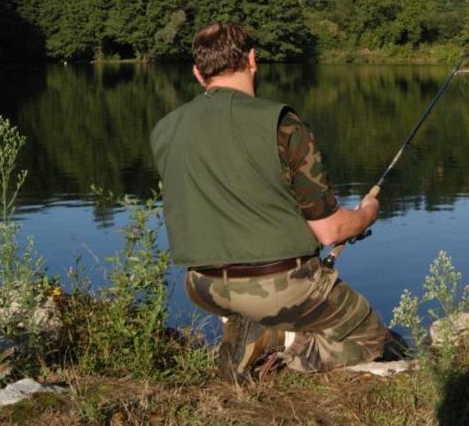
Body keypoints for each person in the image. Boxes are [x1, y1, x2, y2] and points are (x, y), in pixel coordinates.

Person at [150, 21, 391, 379]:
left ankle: (253, 330)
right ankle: (283, 345)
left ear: (198, 74)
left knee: (264, 295)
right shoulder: (283, 124)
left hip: (202, 286)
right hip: (275, 288)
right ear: (252, 59)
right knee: (372, 337)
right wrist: (366, 214)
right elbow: (329, 231)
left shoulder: (165, 128)